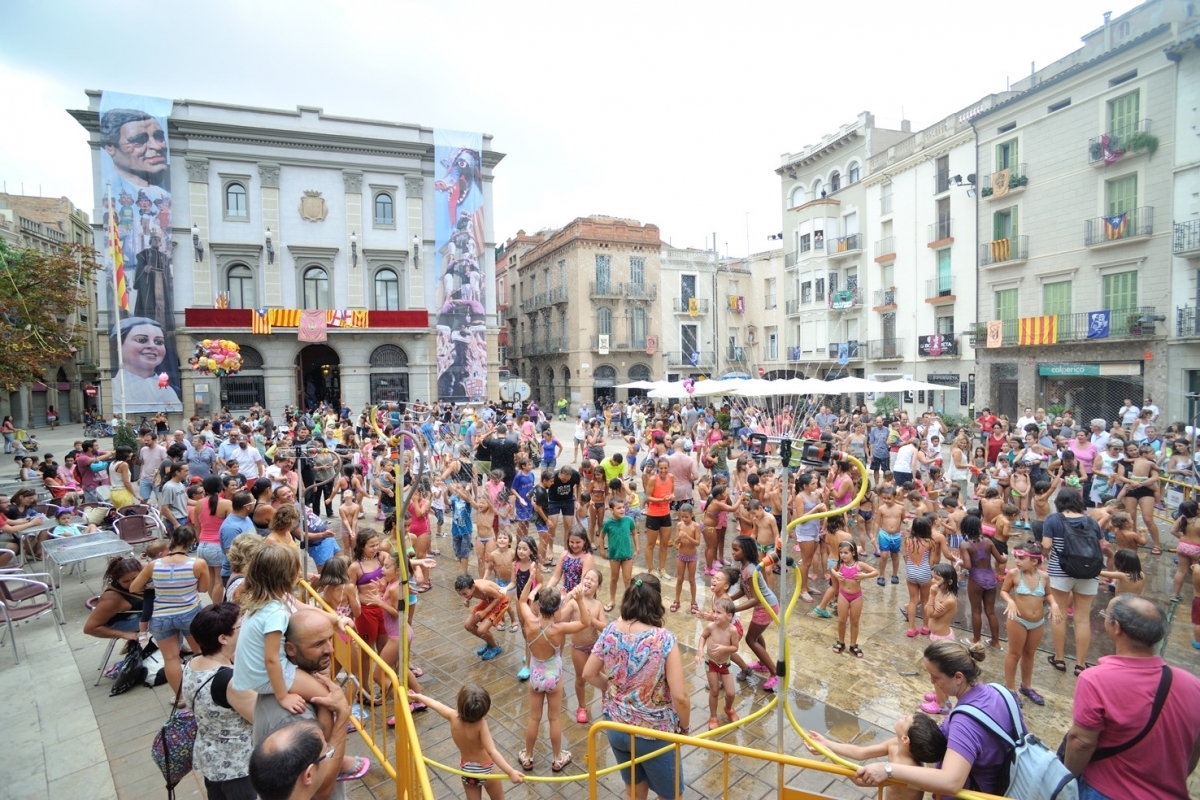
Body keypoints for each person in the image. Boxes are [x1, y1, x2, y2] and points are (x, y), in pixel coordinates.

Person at [1063, 595, 1200, 799]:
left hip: (1105, 790)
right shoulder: (1192, 684)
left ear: (1116, 627)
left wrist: (1064, 782)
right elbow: (1193, 748)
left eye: (1105, 615)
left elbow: (1082, 742)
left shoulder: (1095, 680)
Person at [852, 640, 1019, 797]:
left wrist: (888, 769)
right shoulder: (998, 691)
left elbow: (951, 781)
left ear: (958, 677)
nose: (932, 682)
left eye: (936, 676)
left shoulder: (964, 722)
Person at [583, 573, 690, 800]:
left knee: (634, 789)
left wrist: (614, 690)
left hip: (617, 728)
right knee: (670, 795)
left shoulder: (611, 630)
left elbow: (588, 673)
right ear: (656, 600)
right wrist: (685, 727)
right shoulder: (664, 639)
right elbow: (680, 696)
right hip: (653, 734)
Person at [250, 608, 355, 800]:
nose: (330, 649)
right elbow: (321, 789)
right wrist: (342, 715)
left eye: (330, 639)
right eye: (318, 644)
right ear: (290, 649)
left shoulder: (282, 682)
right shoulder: (296, 714)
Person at [185, 603, 256, 800]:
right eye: (240, 627)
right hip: (238, 766)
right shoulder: (229, 681)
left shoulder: (192, 664)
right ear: (223, 638)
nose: (244, 629)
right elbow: (259, 717)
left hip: (210, 758)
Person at [130, 524, 209, 699]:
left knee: (171, 659)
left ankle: (179, 698)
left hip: (160, 617)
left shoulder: (154, 565)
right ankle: (202, 694)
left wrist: (157, 587)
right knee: (201, 654)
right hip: (190, 613)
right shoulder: (198, 563)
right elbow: (203, 589)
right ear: (192, 542)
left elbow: (134, 587)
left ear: (172, 540)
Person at [407, 685, 524, 799]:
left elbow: (436, 705)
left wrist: (418, 696)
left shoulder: (452, 716)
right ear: (485, 709)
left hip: (468, 770)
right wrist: (510, 771)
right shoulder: (481, 724)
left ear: (459, 702)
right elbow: (492, 751)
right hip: (487, 770)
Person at [1041, 487, 1108, 675]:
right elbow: (1102, 545)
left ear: (1059, 502)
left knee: (1059, 614)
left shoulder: (1053, 519)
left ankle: (1060, 658)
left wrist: (1045, 555)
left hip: (1060, 571)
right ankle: (1080, 664)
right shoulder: (1091, 521)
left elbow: (1046, 545)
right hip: (1089, 572)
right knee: (1082, 619)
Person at [110, 316, 182, 413]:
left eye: (159, 342)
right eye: (141, 340)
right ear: (119, 345)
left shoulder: (171, 390)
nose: (152, 346)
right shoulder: (111, 388)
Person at [83, 556, 146, 644]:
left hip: (138, 614)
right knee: (167, 620)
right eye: (126, 581)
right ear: (117, 581)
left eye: (135, 578)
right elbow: (90, 628)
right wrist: (124, 635)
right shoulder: (112, 598)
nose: (133, 583)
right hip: (121, 624)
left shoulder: (144, 572)